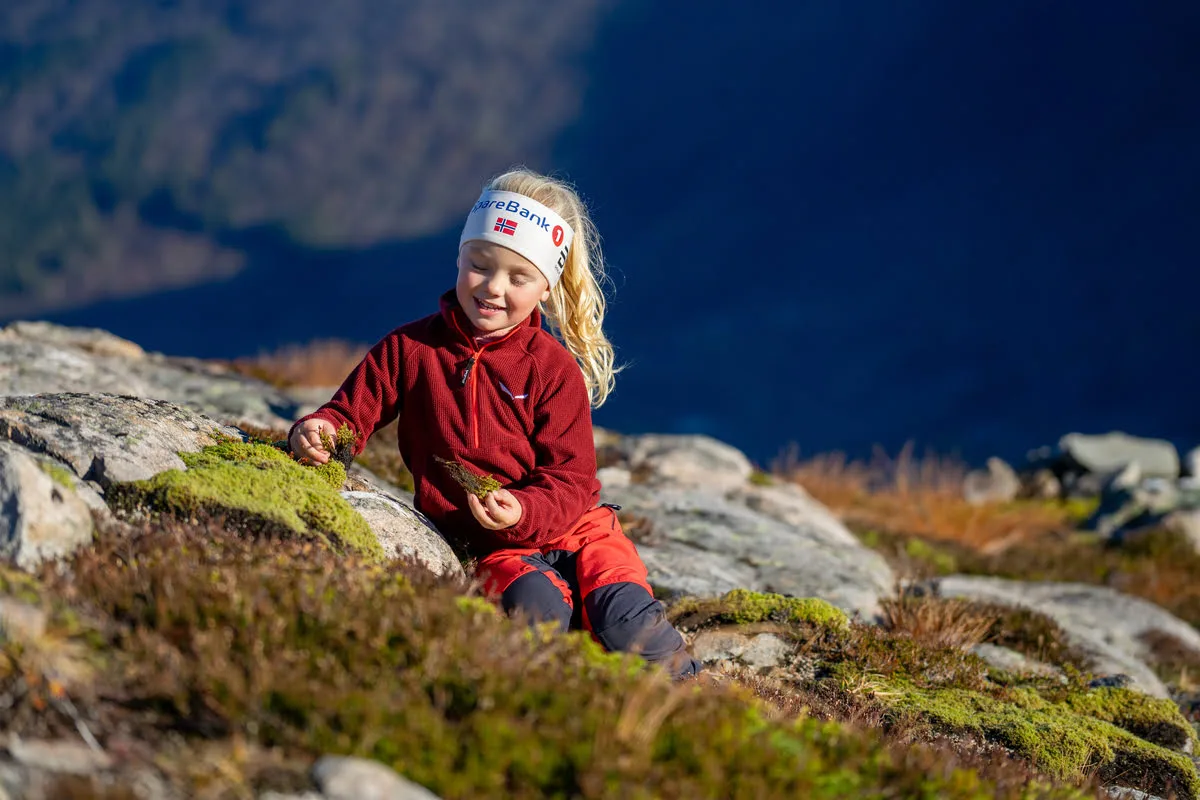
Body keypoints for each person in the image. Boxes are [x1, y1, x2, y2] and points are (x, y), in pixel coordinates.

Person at [289, 167, 701, 680]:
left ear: (547, 287)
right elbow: (350, 414)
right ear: (459, 257)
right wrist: (319, 433)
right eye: (479, 265)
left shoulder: (553, 368)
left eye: (518, 277)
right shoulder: (410, 350)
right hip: (495, 547)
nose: (492, 288)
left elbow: (573, 480)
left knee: (625, 623)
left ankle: (696, 711)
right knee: (537, 617)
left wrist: (523, 508)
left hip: (580, 533)